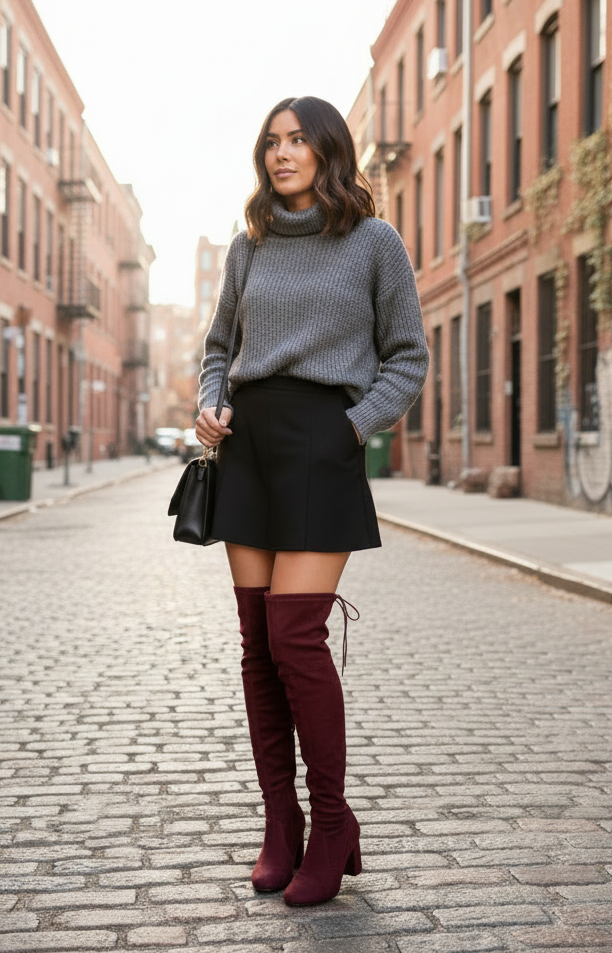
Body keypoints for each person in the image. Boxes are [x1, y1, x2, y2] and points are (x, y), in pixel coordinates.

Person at [195, 96, 429, 906]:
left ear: (329, 150)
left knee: (296, 639)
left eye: (297, 140)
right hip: (249, 449)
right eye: (271, 141)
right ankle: (280, 824)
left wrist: (353, 427)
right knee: (258, 646)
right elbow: (219, 347)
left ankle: (332, 824)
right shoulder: (249, 246)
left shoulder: (373, 242)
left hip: (322, 448)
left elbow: (407, 357)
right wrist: (211, 402)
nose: (281, 153)